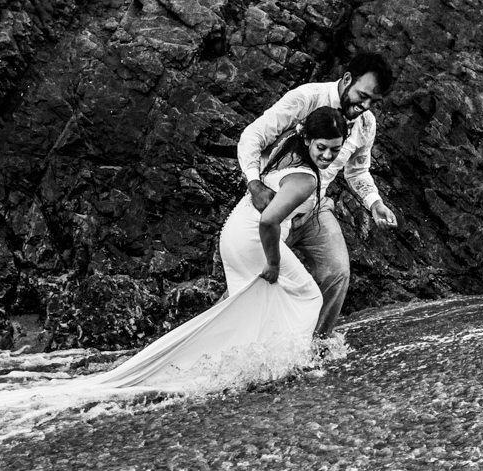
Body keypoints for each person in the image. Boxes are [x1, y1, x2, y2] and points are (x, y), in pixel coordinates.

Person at [72, 106, 348, 389]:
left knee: (251, 308)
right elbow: (268, 221)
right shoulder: (306, 178)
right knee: (309, 297)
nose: (327, 156)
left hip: (235, 232)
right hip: (253, 238)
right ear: (307, 139)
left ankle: (239, 367)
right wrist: (274, 263)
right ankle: (290, 364)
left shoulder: (288, 151)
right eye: (322, 147)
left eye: (334, 151)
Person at [237, 51, 397, 338]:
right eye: (363, 95)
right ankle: (230, 340)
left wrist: (375, 203)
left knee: (336, 273)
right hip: (276, 203)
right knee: (255, 279)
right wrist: (254, 184)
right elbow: (252, 136)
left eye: (375, 101)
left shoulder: (366, 123)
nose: (366, 106)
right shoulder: (307, 98)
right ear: (347, 79)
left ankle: (310, 347)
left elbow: (357, 171)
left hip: (316, 206)